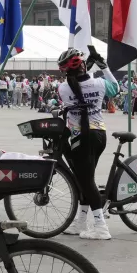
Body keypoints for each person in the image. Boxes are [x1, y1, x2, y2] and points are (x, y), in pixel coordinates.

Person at [55, 47, 119, 239]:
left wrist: (88, 65)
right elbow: (115, 88)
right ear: (82, 65)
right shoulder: (99, 84)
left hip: (80, 137)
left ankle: (101, 227)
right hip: (99, 134)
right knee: (84, 179)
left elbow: (78, 85)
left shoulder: (63, 89)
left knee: (85, 180)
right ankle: (81, 222)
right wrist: (103, 66)